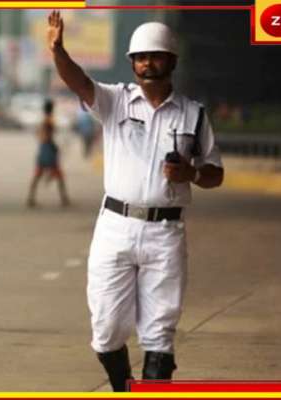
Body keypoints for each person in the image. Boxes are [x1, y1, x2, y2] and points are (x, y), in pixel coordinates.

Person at [47, 11, 224, 390]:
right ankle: (123, 386)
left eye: (155, 56)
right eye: (140, 57)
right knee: (107, 329)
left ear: (172, 61)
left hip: (165, 233)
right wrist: (59, 50)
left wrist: (191, 174)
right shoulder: (115, 102)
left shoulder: (194, 115)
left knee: (160, 332)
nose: (147, 63)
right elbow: (77, 81)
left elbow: (215, 172)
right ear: (132, 64)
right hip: (116, 228)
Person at [26, 98, 71, 208]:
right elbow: (47, 135)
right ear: (52, 109)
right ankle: (64, 199)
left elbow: (38, 134)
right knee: (58, 175)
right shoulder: (49, 120)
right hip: (48, 149)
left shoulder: (43, 120)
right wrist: (53, 146)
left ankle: (30, 198)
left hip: (43, 148)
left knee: (38, 174)